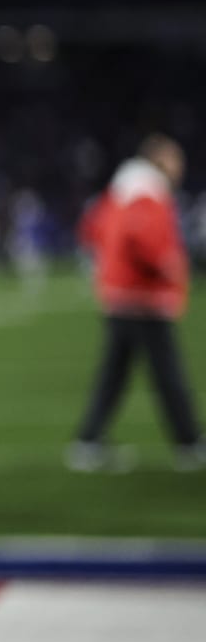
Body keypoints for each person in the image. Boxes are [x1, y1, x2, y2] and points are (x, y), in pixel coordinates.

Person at [69, 135, 202, 472]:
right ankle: (189, 443)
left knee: (115, 373)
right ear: (158, 160)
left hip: (121, 294)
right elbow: (140, 235)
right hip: (142, 297)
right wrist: (166, 261)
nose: (180, 167)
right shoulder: (146, 189)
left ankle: (88, 440)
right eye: (175, 159)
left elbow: (91, 229)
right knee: (167, 373)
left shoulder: (123, 188)